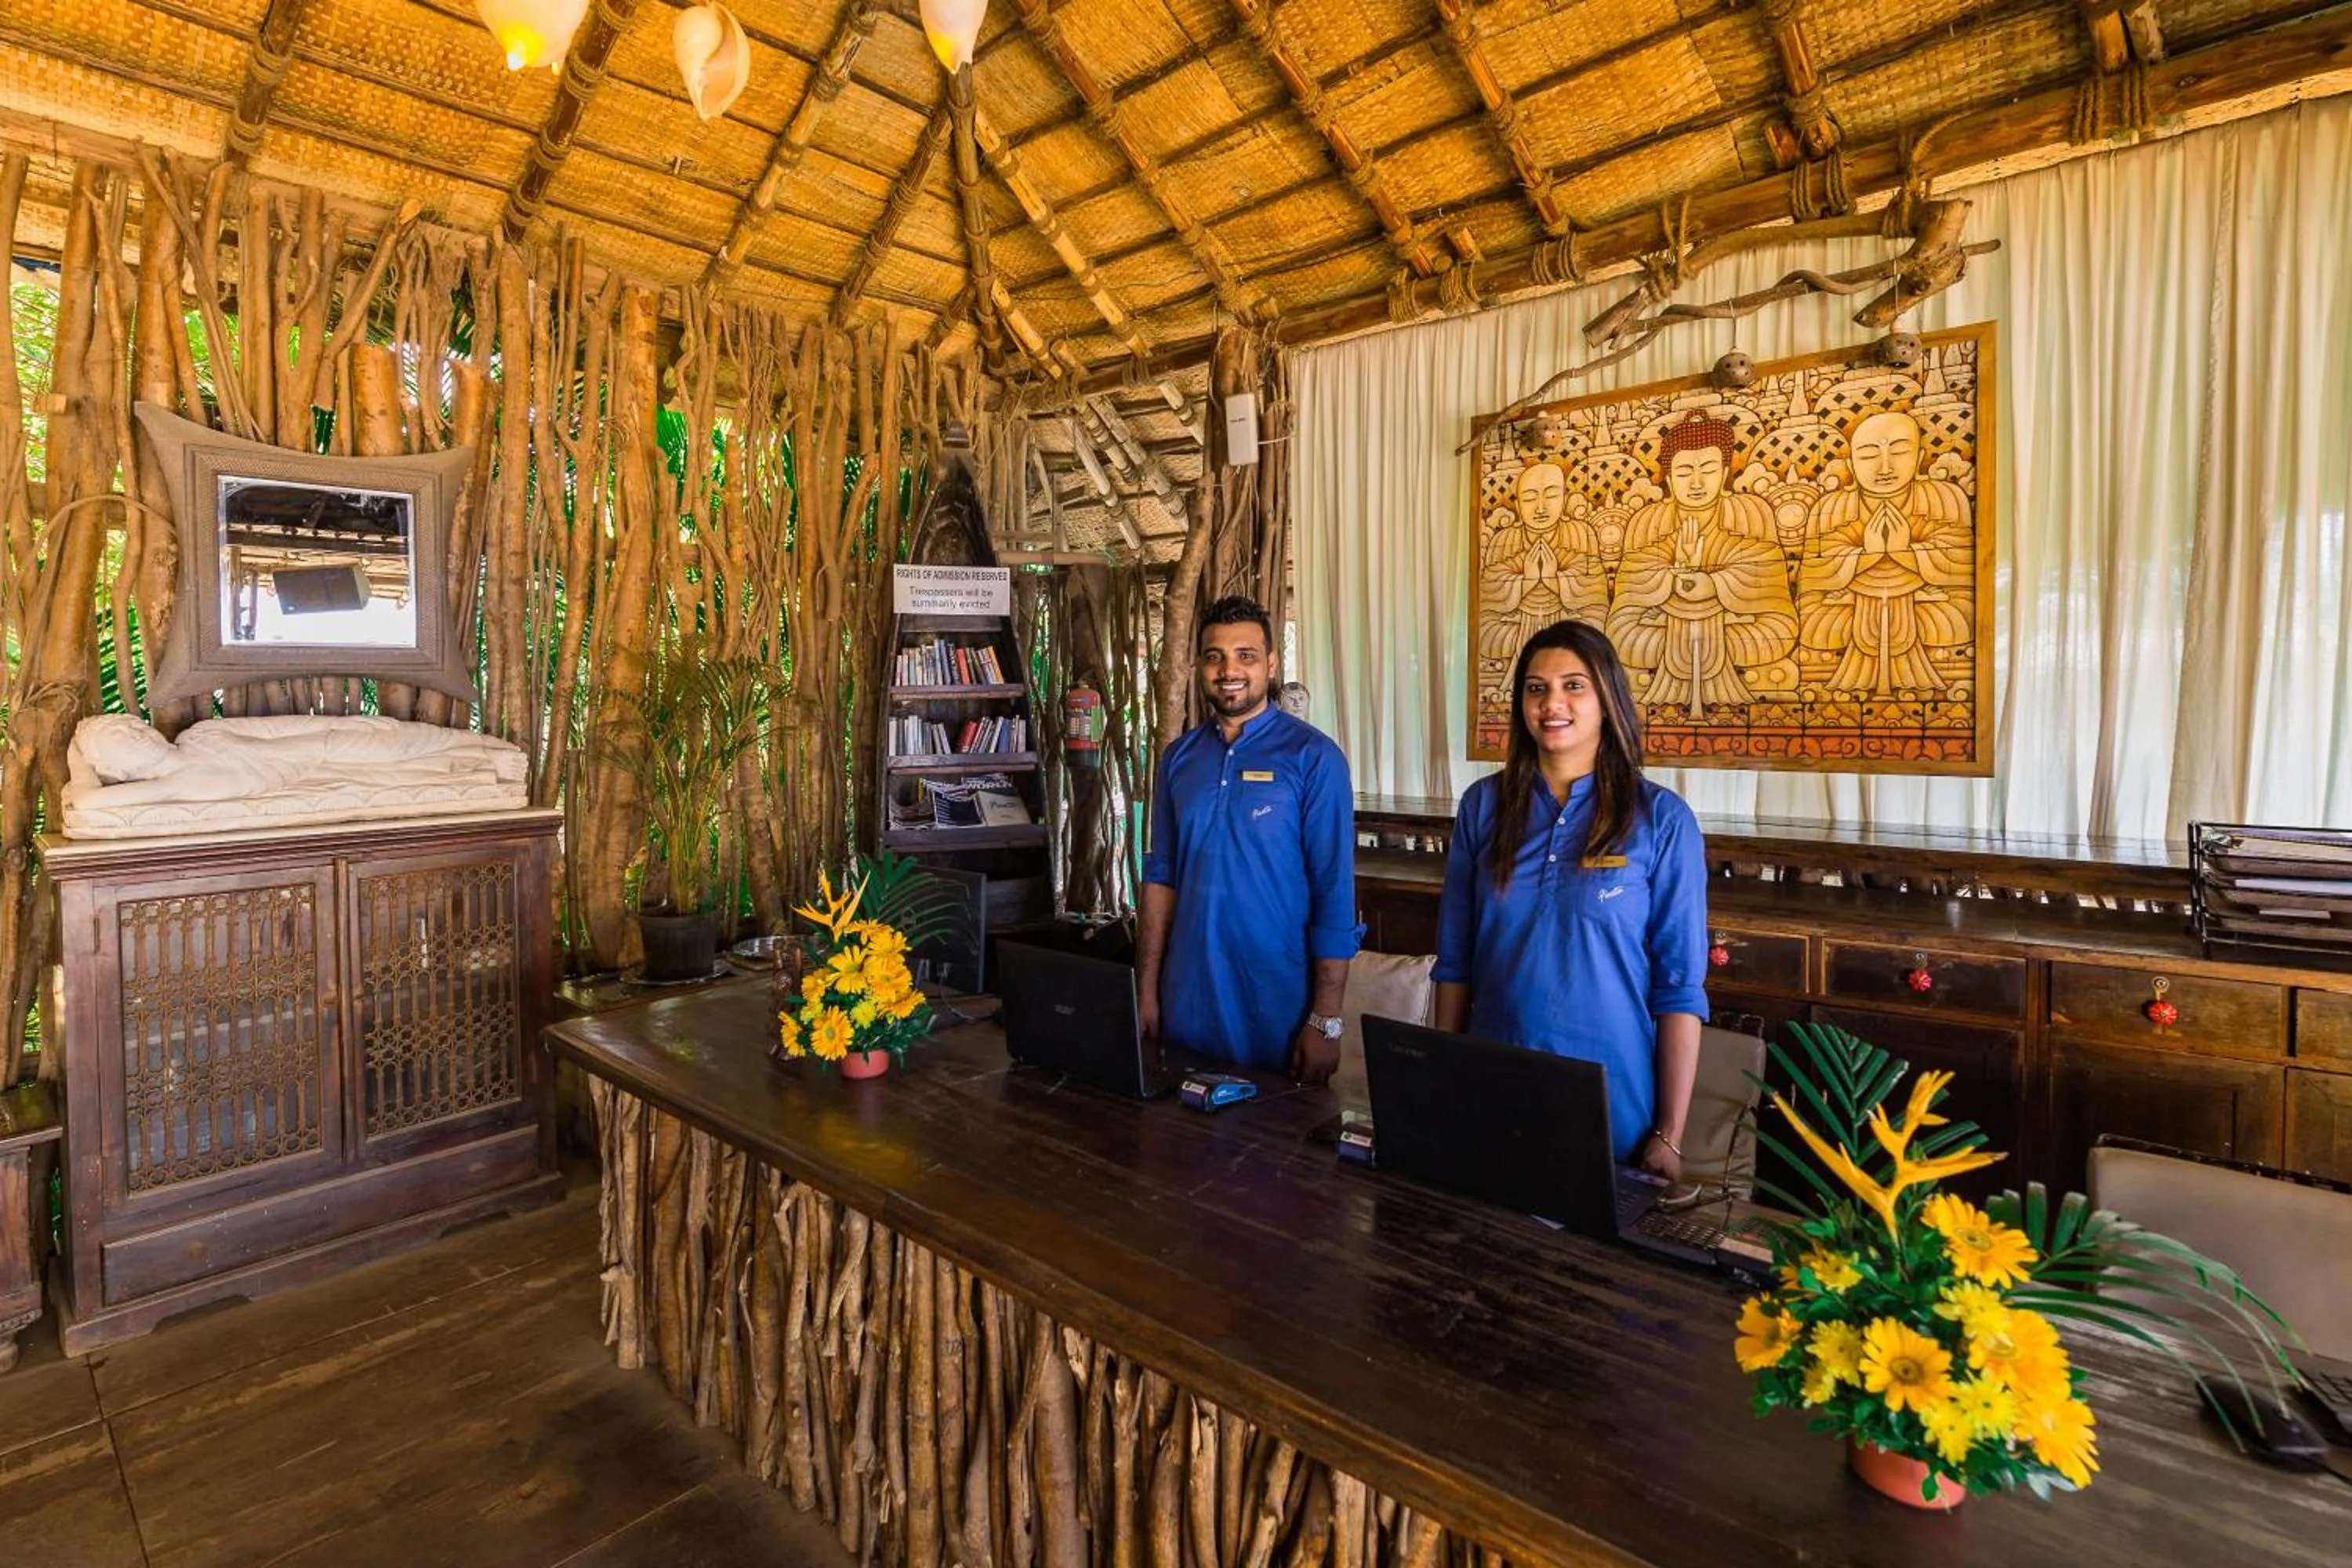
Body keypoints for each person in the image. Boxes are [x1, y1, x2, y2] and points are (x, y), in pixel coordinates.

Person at [1432, 619, 1709, 1178]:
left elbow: (1679, 988)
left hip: (1612, 1107)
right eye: (1536, 688)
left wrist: (1670, 1136)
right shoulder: (1483, 807)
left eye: (1573, 686)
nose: (1551, 702)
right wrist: (1448, 1086)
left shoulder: (1661, 819)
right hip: (1495, 1088)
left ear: (1608, 699)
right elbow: (1455, 963)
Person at [1138, 596, 1357, 1082]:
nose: (1228, 670)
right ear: (1199, 665)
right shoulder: (1179, 759)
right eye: (1215, 656)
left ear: (1272, 664)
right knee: (1178, 1147)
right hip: (1186, 1000)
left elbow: (1333, 895)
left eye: (1246, 656)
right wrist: (1147, 989)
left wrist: (1326, 1018)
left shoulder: (1314, 759)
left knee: (1273, 1149)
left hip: (1276, 1005)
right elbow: (1160, 878)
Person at [1606, 411, 1798, 715]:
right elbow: (1625, 607)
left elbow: (1773, 594)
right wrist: (1677, 573)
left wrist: (1715, 585)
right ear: (1669, 479)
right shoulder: (1648, 521)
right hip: (1662, 635)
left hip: (1734, 633)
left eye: (1707, 470)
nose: (1696, 483)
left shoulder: (1751, 511)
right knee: (1622, 640)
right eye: (1684, 473)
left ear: (1724, 474)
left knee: (1777, 633)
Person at [1798, 408, 1975, 694]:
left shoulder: (1944, 497)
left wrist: (1906, 552)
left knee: (1959, 617)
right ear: (1852, 466)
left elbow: (1960, 565)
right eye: (1868, 455)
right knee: (1814, 625)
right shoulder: (1830, 507)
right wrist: (1863, 555)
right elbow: (1812, 581)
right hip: (1846, 610)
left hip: (1927, 606)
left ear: (1919, 459)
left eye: (1900, 452)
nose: (1885, 468)